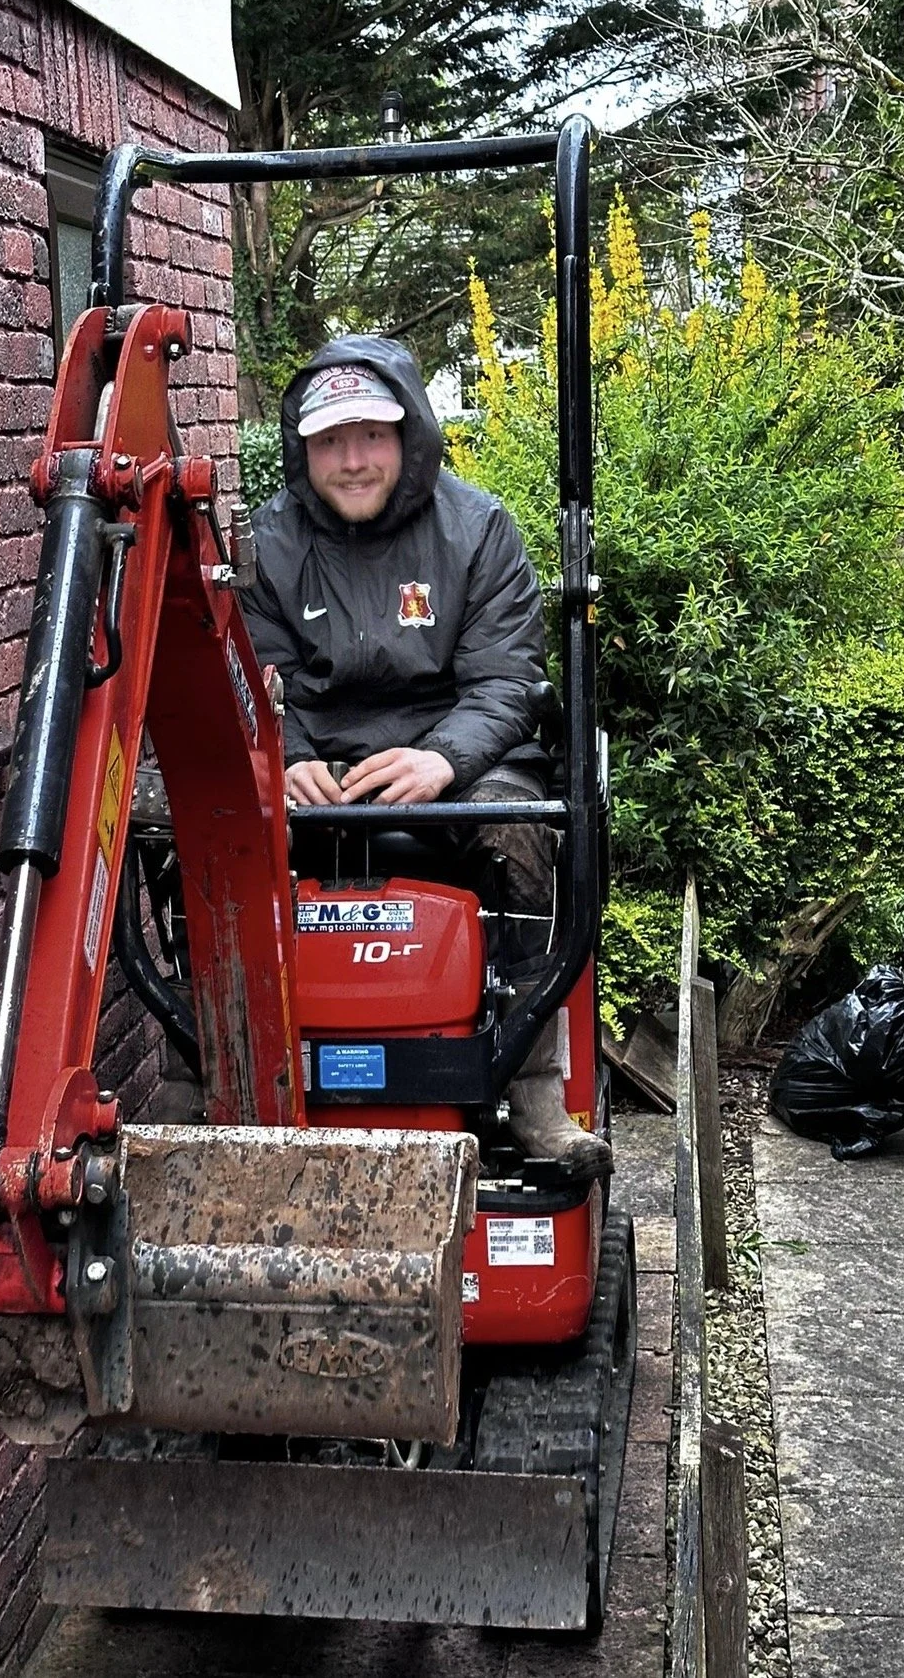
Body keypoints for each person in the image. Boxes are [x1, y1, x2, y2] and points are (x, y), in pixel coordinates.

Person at [241, 334, 611, 1178]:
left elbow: (508, 680)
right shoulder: (267, 542)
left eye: (371, 436)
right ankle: (217, 1069)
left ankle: (532, 1086)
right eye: (331, 441)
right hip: (321, 762)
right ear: (304, 447)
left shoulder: (478, 531)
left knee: (520, 834)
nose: (352, 461)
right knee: (206, 836)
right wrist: (285, 754)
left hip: (462, 753)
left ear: (408, 435)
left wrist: (441, 759)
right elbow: (258, 674)